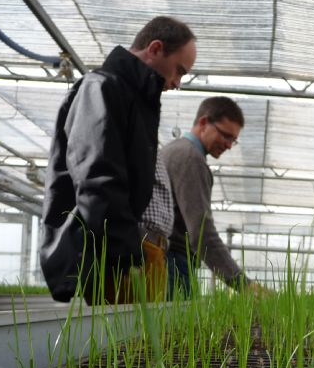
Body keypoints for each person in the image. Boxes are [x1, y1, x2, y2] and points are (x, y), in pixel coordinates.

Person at [40, 16, 196, 304]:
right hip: (119, 258)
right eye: (179, 71)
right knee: (124, 333)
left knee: (144, 334)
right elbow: (97, 174)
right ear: (155, 49)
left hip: (141, 253)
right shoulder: (102, 88)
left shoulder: (134, 99)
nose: (177, 83)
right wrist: (125, 253)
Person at [161, 96, 264, 296]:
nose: (228, 145)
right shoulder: (190, 159)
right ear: (203, 123)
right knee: (174, 317)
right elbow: (201, 233)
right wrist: (243, 284)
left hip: (167, 259)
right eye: (225, 135)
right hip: (173, 262)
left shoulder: (174, 150)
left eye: (233, 140)